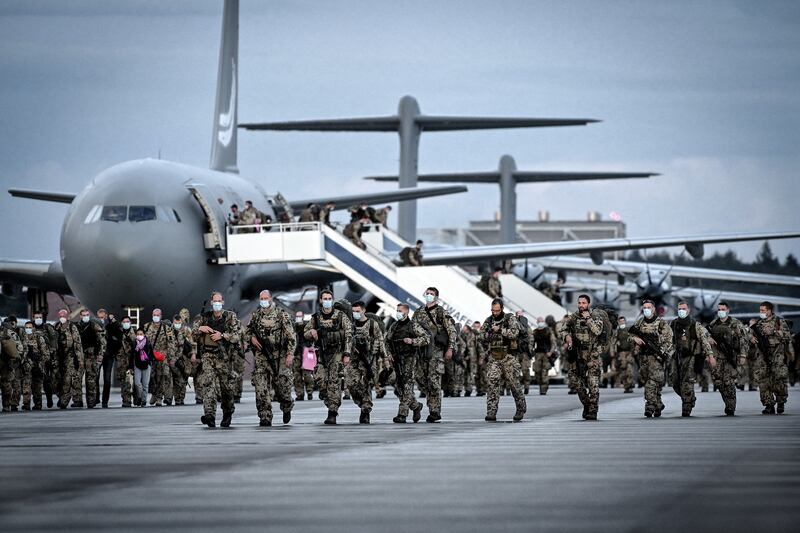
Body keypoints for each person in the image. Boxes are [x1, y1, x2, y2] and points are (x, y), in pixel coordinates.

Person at [246, 290, 296, 427]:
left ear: (271, 299)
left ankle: (287, 406)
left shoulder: (281, 315)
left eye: (265, 298)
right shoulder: (256, 316)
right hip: (262, 357)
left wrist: (290, 354)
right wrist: (251, 337)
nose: (263, 300)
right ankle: (265, 416)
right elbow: (247, 331)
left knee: (283, 389)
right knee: (261, 388)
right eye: (261, 298)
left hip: (279, 357)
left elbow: (291, 336)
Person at [194, 292, 242, 428]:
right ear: (211, 302)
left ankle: (227, 413)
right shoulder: (204, 317)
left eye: (219, 301)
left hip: (224, 357)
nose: (217, 303)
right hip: (208, 355)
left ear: (223, 302)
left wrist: (222, 336)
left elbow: (237, 335)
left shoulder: (230, 317)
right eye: (215, 301)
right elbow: (192, 334)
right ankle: (209, 415)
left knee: (226, 388)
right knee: (208, 384)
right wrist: (199, 329)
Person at [304, 289, 352, 425]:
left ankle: (332, 413)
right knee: (320, 381)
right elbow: (305, 332)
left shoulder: (340, 316)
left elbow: (349, 335)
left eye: (329, 298)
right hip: (321, 355)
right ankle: (329, 401)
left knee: (334, 383)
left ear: (332, 299)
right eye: (324, 298)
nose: (327, 301)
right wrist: (311, 332)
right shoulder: (316, 317)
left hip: (336, 354)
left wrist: (346, 354)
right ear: (320, 300)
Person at [412, 287, 457, 423]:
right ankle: (431, 402)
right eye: (428, 293)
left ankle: (435, 411)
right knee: (420, 379)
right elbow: (412, 329)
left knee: (434, 382)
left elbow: (451, 331)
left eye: (432, 294)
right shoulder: (418, 312)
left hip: (436, 352)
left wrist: (450, 349)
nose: (429, 296)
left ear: (436, 297)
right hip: (421, 351)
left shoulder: (440, 312)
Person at [479, 299, 526, 422]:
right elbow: (481, 336)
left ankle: (521, 408)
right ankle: (491, 412)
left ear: (502, 309)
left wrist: (499, 330)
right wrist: (488, 333)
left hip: (508, 356)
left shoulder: (509, 319)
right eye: (493, 310)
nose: (494, 313)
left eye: (497, 310)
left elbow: (514, 333)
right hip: (494, 357)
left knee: (514, 385)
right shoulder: (489, 320)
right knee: (492, 384)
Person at [560, 295, 604, 420]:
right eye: (579, 303)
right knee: (575, 382)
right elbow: (563, 330)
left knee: (593, 384)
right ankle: (587, 404)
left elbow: (597, 331)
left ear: (588, 304)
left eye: (584, 303)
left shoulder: (595, 316)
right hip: (577, 355)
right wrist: (567, 337)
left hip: (592, 356)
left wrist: (588, 319)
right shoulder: (573, 317)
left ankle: (593, 411)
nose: (581, 305)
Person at [670, 302, 716, 417]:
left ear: (689, 310)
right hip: (677, 357)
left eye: (684, 308)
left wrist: (710, 356)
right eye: (679, 308)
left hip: (690, 357)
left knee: (687, 383)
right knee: (675, 382)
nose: (681, 310)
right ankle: (690, 398)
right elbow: (668, 339)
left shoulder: (695, 325)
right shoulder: (674, 324)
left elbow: (704, 341)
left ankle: (686, 406)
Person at [386, 303, 429, 423]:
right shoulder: (394, 326)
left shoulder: (413, 326)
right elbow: (387, 341)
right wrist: (388, 354)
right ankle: (416, 406)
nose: (398, 313)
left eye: (400, 311)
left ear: (406, 312)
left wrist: (412, 341)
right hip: (397, 359)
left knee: (407, 386)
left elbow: (426, 338)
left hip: (410, 359)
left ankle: (402, 414)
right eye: (397, 310)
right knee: (399, 387)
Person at [630, 300, 673, 418]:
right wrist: (634, 339)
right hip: (643, 358)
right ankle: (658, 404)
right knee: (647, 381)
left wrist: (662, 353)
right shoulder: (639, 322)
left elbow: (669, 340)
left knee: (652, 383)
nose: (646, 309)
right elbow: (629, 334)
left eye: (649, 307)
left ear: (654, 309)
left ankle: (649, 407)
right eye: (644, 307)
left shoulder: (661, 323)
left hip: (656, 358)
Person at [750, 301, 795, 414]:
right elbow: (748, 334)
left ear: (770, 310)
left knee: (778, 379)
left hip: (777, 354)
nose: (761, 313)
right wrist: (750, 337)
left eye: (763, 311)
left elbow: (787, 336)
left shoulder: (779, 321)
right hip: (762, 355)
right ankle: (768, 404)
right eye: (760, 311)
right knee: (763, 380)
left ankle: (781, 402)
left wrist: (774, 331)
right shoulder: (758, 324)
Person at [346, 301, 386, 423]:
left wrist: (385, 358)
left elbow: (380, 341)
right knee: (351, 384)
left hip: (369, 359)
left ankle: (365, 411)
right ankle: (361, 402)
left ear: (363, 310)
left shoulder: (372, 324)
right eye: (353, 311)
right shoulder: (350, 324)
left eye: (358, 311)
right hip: (354, 359)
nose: (355, 314)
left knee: (367, 384)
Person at [706, 301, 749, 415]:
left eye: (723, 309)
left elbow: (743, 340)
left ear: (728, 310)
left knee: (728, 382)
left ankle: (731, 406)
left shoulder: (735, 323)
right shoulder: (713, 324)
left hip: (731, 356)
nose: (721, 312)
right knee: (719, 382)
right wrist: (708, 341)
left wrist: (743, 355)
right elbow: (705, 336)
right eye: (719, 310)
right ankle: (727, 402)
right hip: (717, 357)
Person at [144, 309, 175, 406]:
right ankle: (154, 394)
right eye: (154, 315)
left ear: (161, 316)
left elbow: (171, 343)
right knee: (152, 377)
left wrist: (171, 358)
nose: (156, 316)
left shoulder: (166, 328)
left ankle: (159, 398)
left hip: (162, 356)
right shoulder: (147, 326)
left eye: (157, 315)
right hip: (150, 356)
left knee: (162, 376)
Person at [75, 308, 105, 408]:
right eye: (83, 315)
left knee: (91, 380)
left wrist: (100, 355)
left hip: (91, 356)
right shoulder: (76, 327)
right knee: (76, 379)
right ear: (80, 316)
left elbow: (102, 342)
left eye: (87, 314)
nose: (85, 317)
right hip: (79, 356)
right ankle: (77, 401)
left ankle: (91, 402)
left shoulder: (94, 325)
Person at [54, 309, 84, 409]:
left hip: (71, 356)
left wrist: (79, 359)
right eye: (60, 316)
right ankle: (65, 397)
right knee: (58, 379)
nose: (62, 317)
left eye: (64, 315)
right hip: (60, 357)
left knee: (69, 379)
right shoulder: (56, 327)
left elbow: (78, 344)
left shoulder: (72, 327)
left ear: (67, 316)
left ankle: (64, 401)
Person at [21, 320, 50, 411]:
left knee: (37, 386)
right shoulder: (22, 338)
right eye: (26, 327)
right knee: (26, 385)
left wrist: (40, 362)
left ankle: (38, 404)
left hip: (38, 365)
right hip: (27, 365)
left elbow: (46, 353)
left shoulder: (39, 338)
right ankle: (26, 404)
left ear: (33, 328)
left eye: (30, 327)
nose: (28, 329)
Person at [32, 311, 58, 408]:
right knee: (36, 382)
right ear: (33, 317)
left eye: (40, 317)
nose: (38, 319)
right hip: (35, 358)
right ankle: (37, 403)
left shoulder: (47, 327)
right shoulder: (30, 328)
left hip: (46, 357)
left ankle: (49, 398)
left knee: (47, 380)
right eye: (36, 317)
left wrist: (52, 355)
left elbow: (54, 341)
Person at [171, 314, 197, 406]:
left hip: (184, 358)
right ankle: (177, 398)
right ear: (173, 321)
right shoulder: (169, 330)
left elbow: (192, 343)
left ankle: (180, 398)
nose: (177, 324)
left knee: (183, 378)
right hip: (173, 358)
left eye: (179, 323)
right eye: (175, 323)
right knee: (176, 379)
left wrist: (193, 354)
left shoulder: (186, 330)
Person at [0, 319, 24, 412]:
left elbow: (19, 346)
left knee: (6, 385)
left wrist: (16, 359)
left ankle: (6, 405)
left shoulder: (9, 333)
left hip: (6, 363)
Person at [531, 316, 557, 395]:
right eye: (539, 321)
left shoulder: (548, 331)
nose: (540, 322)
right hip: (538, 354)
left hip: (546, 354)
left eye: (541, 321)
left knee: (544, 371)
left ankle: (544, 389)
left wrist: (551, 352)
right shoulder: (535, 332)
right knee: (537, 371)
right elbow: (532, 343)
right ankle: (540, 385)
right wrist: (531, 351)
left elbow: (553, 343)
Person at [114, 316, 137, 407]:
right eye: (124, 321)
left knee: (134, 382)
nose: (126, 323)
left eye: (127, 321)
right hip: (121, 362)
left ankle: (136, 399)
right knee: (124, 382)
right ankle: (126, 401)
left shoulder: (135, 333)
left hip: (132, 361)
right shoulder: (118, 333)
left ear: (130, 323)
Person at [292, 311, 314, 401]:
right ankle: (300, 394)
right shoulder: (293, 327)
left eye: (300, 316)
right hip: (296, 353)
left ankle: (309, 391)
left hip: (307, 351)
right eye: (297, 316)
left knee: (307, 374)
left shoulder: (307, 326)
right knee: (297, 375)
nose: (298, 318)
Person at [130, 328, 154, 407]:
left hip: (146, 365)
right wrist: (130, 366)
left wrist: (150, 363)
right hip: (137, 365)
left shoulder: (148, 342)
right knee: (137, 383)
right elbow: (131, 355)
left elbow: (151, 354)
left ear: (144, 335)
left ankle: (144, 400)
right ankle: (139, 397)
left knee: (145, 385)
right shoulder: (134, 343)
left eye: (141, 334)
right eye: (138, 334)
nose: (139, 336)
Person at [613, 316, 636, 393]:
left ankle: (630, 385)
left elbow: (633, 340)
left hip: (629, 352)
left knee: (629, 369)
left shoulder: (629, 330)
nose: (622, 322)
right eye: (620, 321)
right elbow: (613, 342)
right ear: (619, 322)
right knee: (623, 370)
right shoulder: (617, 332)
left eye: (623, 321)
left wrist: (633, 352)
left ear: (625, 321)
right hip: (621, 353)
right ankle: (626, 386)